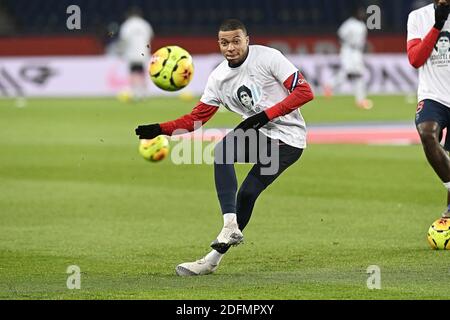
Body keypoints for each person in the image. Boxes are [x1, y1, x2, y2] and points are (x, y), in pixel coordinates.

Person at [135, 19, 314, 276]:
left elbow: (304, 92)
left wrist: (263, 116)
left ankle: (213, 258)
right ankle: (226, 230)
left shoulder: (269, 57)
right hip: (258, 132)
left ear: (247, 40)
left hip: (289, 139)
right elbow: (195, 120)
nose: (230, 47)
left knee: (248, 192)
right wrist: (160, 128)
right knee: (225, 156)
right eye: (224, 42)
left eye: (236, 41)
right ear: (219, 44)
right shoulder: (218, 78)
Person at [407, 0, 450, 218]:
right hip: (433, 96)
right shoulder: (417, 17)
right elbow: (415, 59)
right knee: (427, 133)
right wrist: (438, 24)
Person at [323, 6, 372, 110]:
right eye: (360, 12)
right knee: (350, 73)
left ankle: (330, 86)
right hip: (348, 51)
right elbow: (340, 34)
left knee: (356, 75)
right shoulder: (349, 23)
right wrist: (345, 44)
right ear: (355, 13)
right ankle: (330, 85)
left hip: (357, 52)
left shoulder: (362, 25)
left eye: (363, 13)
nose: (362, 14)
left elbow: (362, 41)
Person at [118, 6, 154, 101]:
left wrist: (121, 51)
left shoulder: (127, 25)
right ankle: (144, 93)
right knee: (142, 72)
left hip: (131, 53)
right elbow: (150, 36)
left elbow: (123, 40)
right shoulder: (145, 24)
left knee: (133, 72)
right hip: (144, 53)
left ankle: (135, 92)